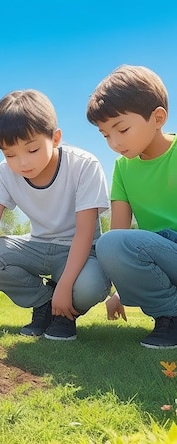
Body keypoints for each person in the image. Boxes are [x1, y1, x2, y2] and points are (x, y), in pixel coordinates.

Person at [0, 89, 111, 340]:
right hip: (37, 245)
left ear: (55, 138)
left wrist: (66, 286)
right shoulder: (5, 173)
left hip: (79, 249)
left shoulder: (84, 165)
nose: (22, 163)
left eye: (32, 150)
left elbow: (84, 232)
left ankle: (64, 315)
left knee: (89, 286)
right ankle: (45, 305)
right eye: (10, 154)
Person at [86, 64, 177, 349]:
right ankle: (169, 316)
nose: (114, 142)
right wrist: (120, 292)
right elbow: (118, 239)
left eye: (122, 129)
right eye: (105, 135)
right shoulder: (123, 168)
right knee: (108, 244)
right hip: (159, 255)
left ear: (158, 117)